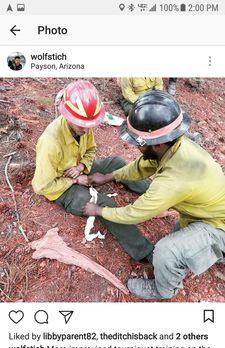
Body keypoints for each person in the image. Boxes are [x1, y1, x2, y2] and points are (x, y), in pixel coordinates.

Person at [84, 90, 225, 300]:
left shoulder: (173, 179)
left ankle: (163, 290)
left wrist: (99, 210)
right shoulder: (174, 145)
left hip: (218, 227)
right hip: (207, 214)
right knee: (178, 234)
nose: (135, 146)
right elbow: (142, 166)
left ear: (157, 143)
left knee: (166, 251)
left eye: (139, 143)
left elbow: (135, 213)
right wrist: (109, 176)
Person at [32, 80, 154, 262]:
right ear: (67, 116)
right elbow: (42, 186)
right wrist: (75, 180)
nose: (86, 129)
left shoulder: (83, 126)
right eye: (82, 125)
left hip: (78, 170)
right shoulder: (50, 143)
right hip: (60, 187)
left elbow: (90, 151)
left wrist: (81, 167)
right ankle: (145, 253)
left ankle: (152, 192)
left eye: (89, 125)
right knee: (105, 205)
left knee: (117, 162)